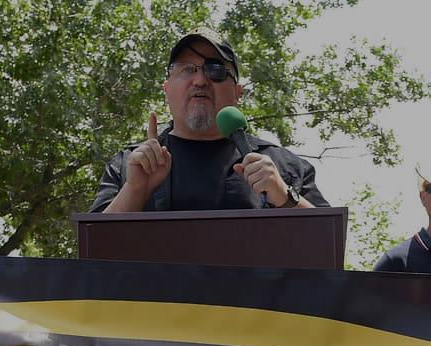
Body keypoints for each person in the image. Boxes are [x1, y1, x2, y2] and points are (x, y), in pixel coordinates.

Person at [90, 28, 328, 212]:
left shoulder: (283, 167)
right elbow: (93, 248)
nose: (200, 81)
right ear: (167, 89)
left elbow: (327, 244)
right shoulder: (129, 165)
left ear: (237, 93)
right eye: (187, 69)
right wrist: (135, 190)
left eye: (216, 70)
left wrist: (284, 197)